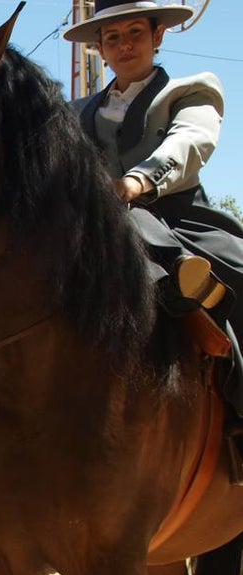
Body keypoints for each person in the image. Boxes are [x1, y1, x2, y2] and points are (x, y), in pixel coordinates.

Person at [65, 0, 243, 473]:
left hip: (181, 224)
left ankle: (240, 415)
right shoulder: (72, 113)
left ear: (157, 36)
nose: (124, 45)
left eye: (135, 33)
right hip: (98, 232)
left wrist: (137, 181)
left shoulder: (192, 91)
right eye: (113, 37)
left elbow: (189, 142)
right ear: (100, 48)